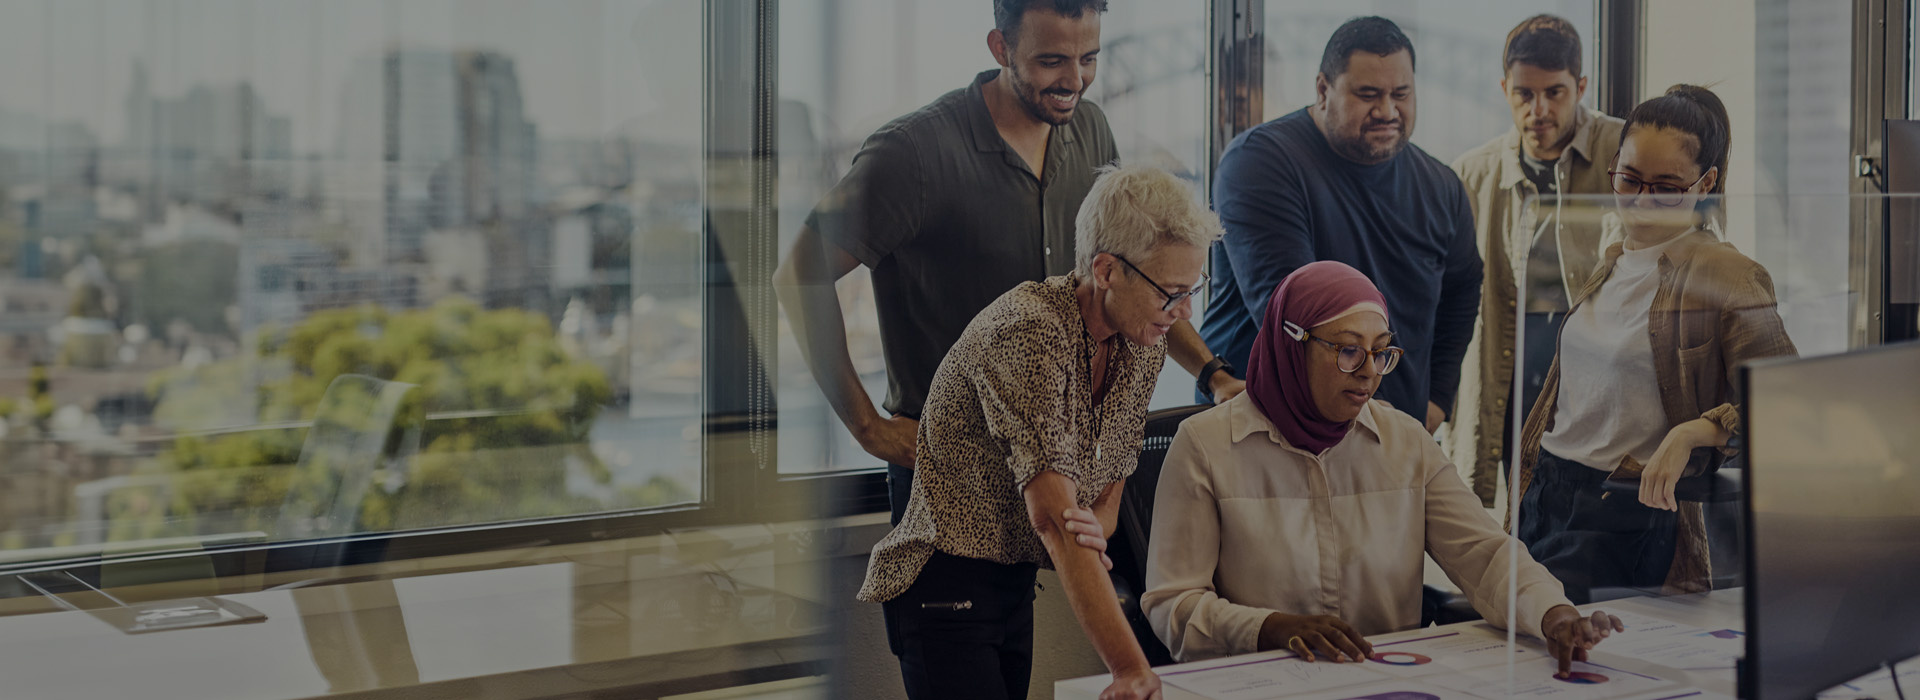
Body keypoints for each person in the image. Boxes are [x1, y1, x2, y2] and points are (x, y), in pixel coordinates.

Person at [774, 0, 1242, 528]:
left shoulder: (1090, 129)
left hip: (1060, 465)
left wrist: (1214, 374)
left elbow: (1142, 283)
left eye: (1089, 57)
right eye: (1051, 62)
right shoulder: (911, 153)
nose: (1075, 80)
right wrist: (866, 427)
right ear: (1001, 48)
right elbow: (799, 272)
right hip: (953, 474)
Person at [1142, 261, 1621, 677]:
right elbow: (1173, 605)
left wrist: (1552, 613)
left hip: (1386, 682)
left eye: (1382, 351)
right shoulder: (1205, 446)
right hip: (1261, 684)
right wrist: (1269, 628)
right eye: (1348, 350)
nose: (1370, 371)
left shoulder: (1404, 441)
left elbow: (1485, 554)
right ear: (1294, 345)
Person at [858, 164, 1220, 700]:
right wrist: (1129, 669)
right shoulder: (1030, 331)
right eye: (1170, 292)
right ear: (1106, 270)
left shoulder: (1141, 341)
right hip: (945, 580)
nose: (1184, 311)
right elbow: (1053, 516)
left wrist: (1092, 525)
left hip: (1014, 580)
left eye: (1192, 290)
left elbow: (1111, 483)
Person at [1515, 85, 1798, 603]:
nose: (1642, 202)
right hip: (1545, 488)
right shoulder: (1614, 258)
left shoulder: (1727, 275)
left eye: (1666, 187)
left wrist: (1698, 430)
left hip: (1622, 506)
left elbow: (1789, 403)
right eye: (1629, 180)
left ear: (1705, 183)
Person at [1198, 16, 1481, 433]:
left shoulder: (1440, 185)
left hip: (1393, 441)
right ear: (1323, 89)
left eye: (1401, 94)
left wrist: (1436, 398)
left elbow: (1463, 287)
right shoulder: (1260, 163)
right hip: (1264, 437)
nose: (1387, 111)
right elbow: (1299, 319)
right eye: (1368, 94)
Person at [1449, 15, 1627, 505]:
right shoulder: (1471, 174)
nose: (1539, 109)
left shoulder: (1624, 152)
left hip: (1598, 379)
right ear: (1505, 87)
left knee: (1593, 526)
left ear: (1581, 86)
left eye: (1555, 92)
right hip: (1509, 380)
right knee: (1519, 528)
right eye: (1524, 94)